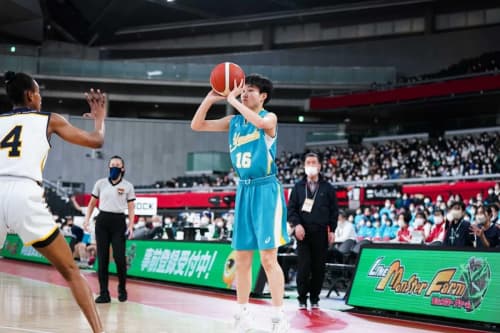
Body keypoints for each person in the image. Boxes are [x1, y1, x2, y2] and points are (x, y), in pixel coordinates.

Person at [0, 71, 105, 333]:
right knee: (71, 270)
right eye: (39, 93)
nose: (41, 98)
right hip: (24, 192)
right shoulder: (49, 120)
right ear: (30, 95)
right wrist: (100, 120)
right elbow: (95, 141)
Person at [191, 74, 290, 333]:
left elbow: (257, 120)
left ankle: (279, 317)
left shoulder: (270, 118)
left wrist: (234, 100)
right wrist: (210, 98)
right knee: (243, 258)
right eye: (242, 90)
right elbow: (197, 125)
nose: (245, 93)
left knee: (269, 259)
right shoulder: (234, 122)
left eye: (250, 90)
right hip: (244, 190)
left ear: (263, 96)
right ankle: (243, 314)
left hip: (266, 189)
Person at [287, 152, 338, 310]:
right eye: (308, 162)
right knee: (303, 267)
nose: (311, 165)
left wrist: (332, 230)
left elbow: (334, 211)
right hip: (303, 234)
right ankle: (302, 298)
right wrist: (296, 225)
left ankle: (315, 298)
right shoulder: (297, 187)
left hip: (321, 233)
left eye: (313, 162)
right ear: (304, 166)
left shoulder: (328, 188)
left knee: (318, 268)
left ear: (319, 166)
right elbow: (291, 210)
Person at [84, 156, 136, 303]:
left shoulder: (128, 186)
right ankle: (104, 293)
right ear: (108, 167)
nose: (114, 166)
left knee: (120, 258)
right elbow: (92, 203)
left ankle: (122, 288)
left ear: (122, 168)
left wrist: (131, 225)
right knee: (103, 259)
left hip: (119, 222)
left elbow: (131, 207)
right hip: (102, 222)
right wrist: (87, 219)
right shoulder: (100, 183)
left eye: (117, 164)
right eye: (112, 164)